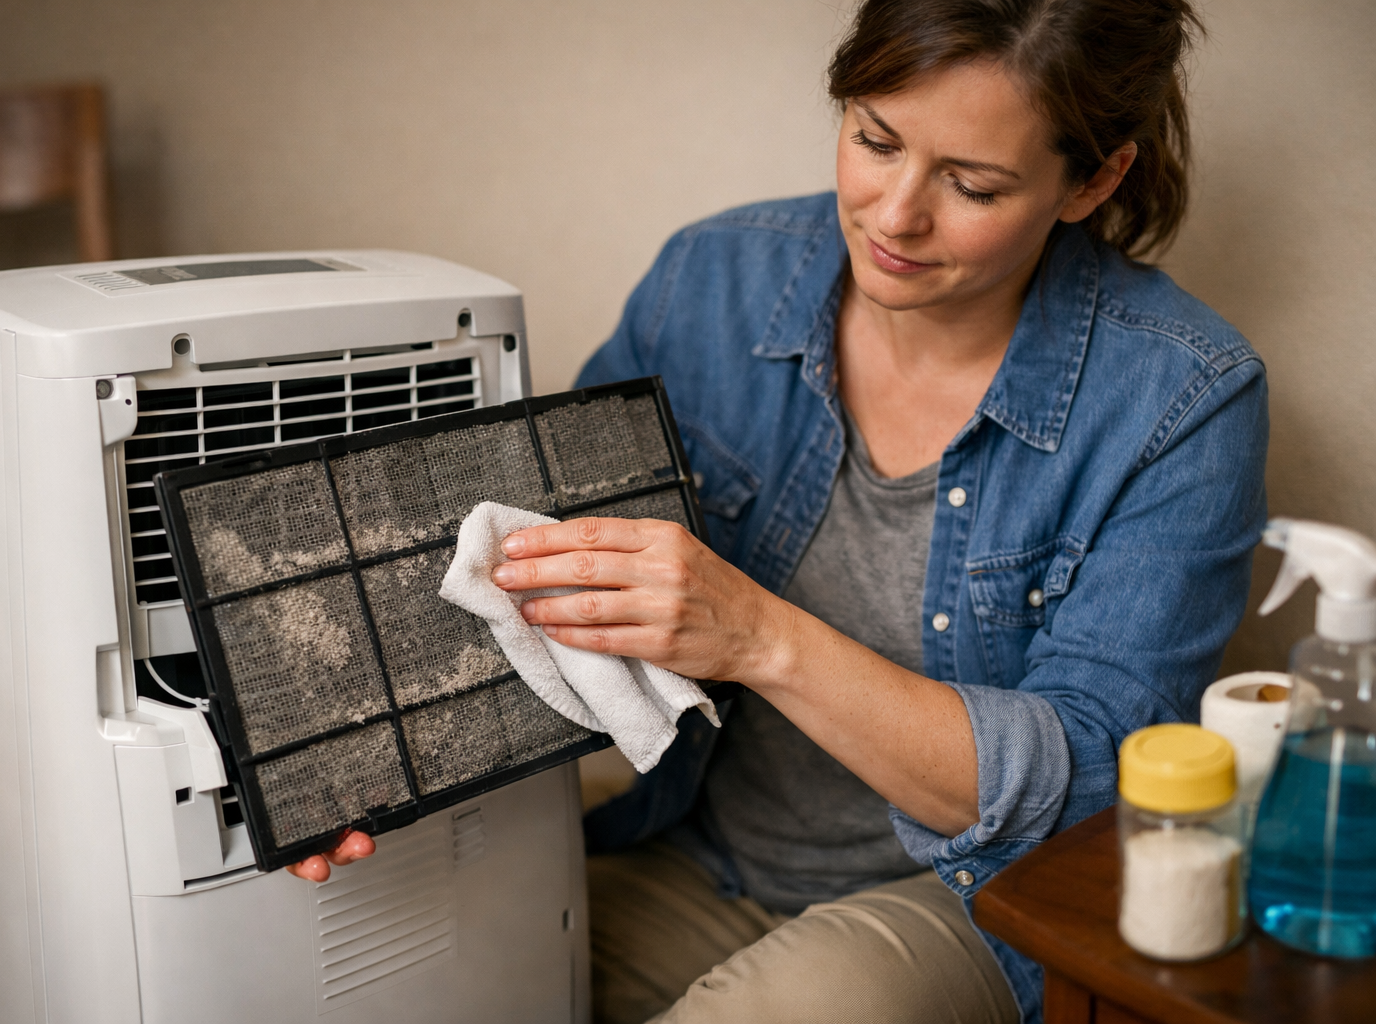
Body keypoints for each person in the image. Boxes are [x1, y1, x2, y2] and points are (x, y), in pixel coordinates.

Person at [293, 1, 1268, 1020]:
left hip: (962, 898)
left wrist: (758, 634)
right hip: (691, 838)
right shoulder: (714, 278)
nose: (895, 216)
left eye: (972, 184)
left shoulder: (1184, 398)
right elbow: (535, 576)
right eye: (874, 140)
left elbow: (1084, 781)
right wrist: (373, 767)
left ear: (1094, 180)